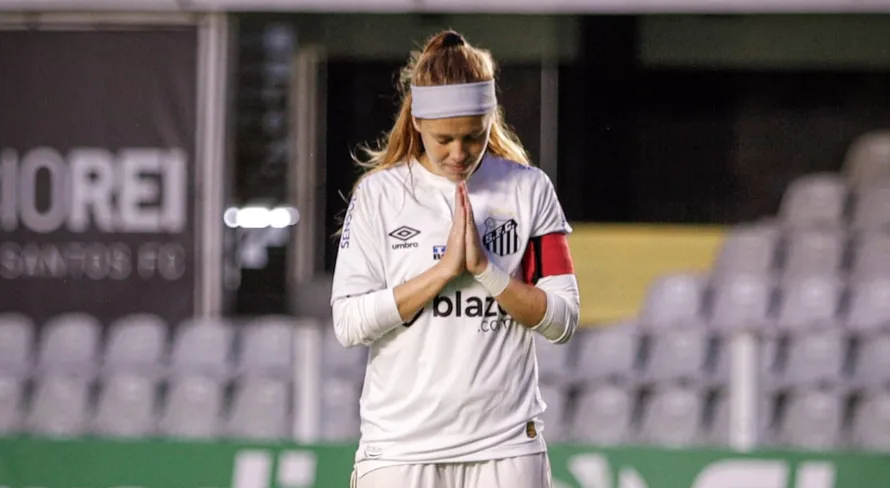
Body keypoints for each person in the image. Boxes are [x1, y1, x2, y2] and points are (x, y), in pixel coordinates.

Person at [330, 29, 580, 488]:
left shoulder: (529, 190)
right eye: (444, 139)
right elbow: (348, 322)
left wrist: (487, 272)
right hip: (400, 448)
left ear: (491, 121)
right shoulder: (379, 196)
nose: (459, 153)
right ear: (418, 120)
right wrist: (443, 272)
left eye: (474, 136)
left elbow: (563, 320)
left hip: (506, 447)